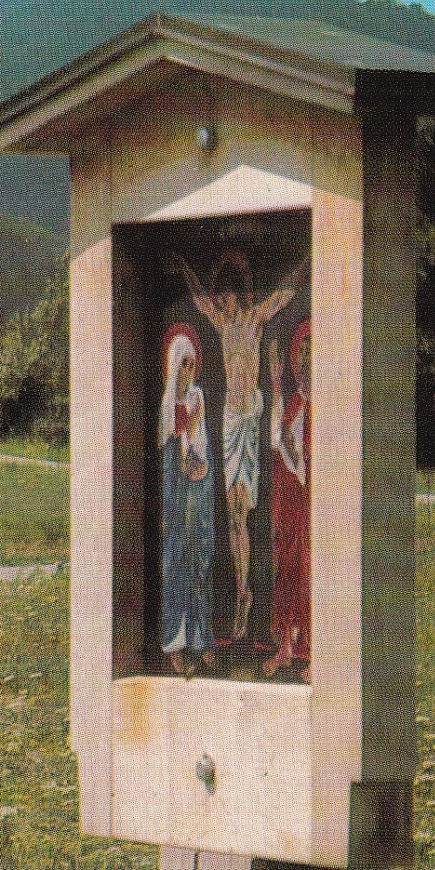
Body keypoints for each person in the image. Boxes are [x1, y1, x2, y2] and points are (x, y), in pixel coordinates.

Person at [179, 250, 304, 641]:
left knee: (243, 511)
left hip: (249, 419)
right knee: (234, 514)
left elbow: (283, 296)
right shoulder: (219, 323)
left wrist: (307, 261)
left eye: (225, 296)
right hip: (231, 421)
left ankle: (244, 595)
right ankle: (241, 594)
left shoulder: (253, 320)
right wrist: (185, 266)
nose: (219, 302)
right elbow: (199, 300)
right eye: (218, 297)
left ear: (237, 294)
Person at [158, 324, 216, 675]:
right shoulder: (167, 404)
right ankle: (174, 643)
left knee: (200, 554)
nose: (187, 371)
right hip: (174, 487)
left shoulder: (197, 397)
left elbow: (199, 439)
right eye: (182, 364)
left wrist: (198, 460)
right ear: (172, 365)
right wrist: (184, 440)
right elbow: (171, 445)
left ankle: (200, 638)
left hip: (196, 480)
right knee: (175, 557)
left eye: (191, 365)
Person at [265, 320, 312, 681]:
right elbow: (278, 443)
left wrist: (302, 459)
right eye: (304, 358)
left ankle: (313, 651)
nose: (307, 366)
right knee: (287, 570)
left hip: (311, 500)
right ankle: (286, 647)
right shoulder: (295, 401)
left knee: (310, 572)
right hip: (290, 499)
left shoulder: (323, 405)